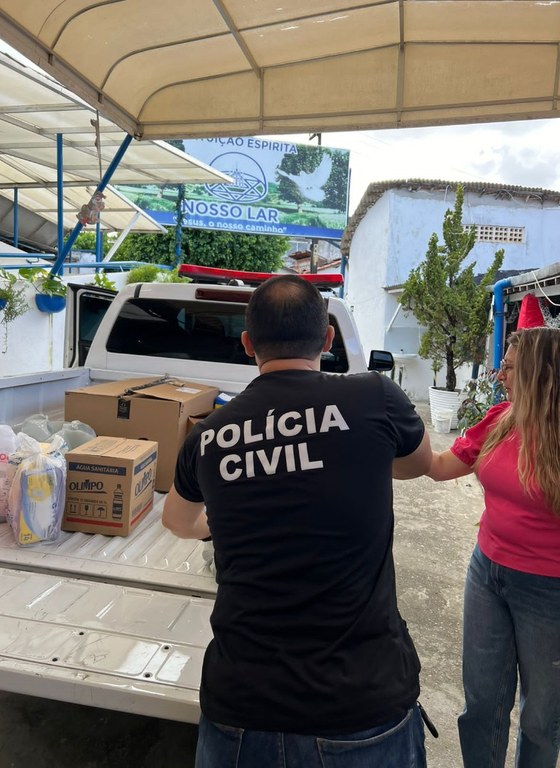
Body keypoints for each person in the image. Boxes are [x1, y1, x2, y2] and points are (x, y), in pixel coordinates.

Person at [163, 275, 433, 768]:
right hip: (361, 705)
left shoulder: (209, 436)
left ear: (247, 345)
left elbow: (178, 521)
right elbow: (417, 464)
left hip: (242, 709)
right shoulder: (375, 397)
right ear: (328, 340)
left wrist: (221, 522)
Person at [425, 327, 560, 768]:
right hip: (487, 572)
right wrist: (374, 445)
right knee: (482, 702)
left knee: (542, 716)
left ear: (542, 375)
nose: (499, 375)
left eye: (509, 367)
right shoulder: (501, 418)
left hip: (550, 588)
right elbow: (441, 466)